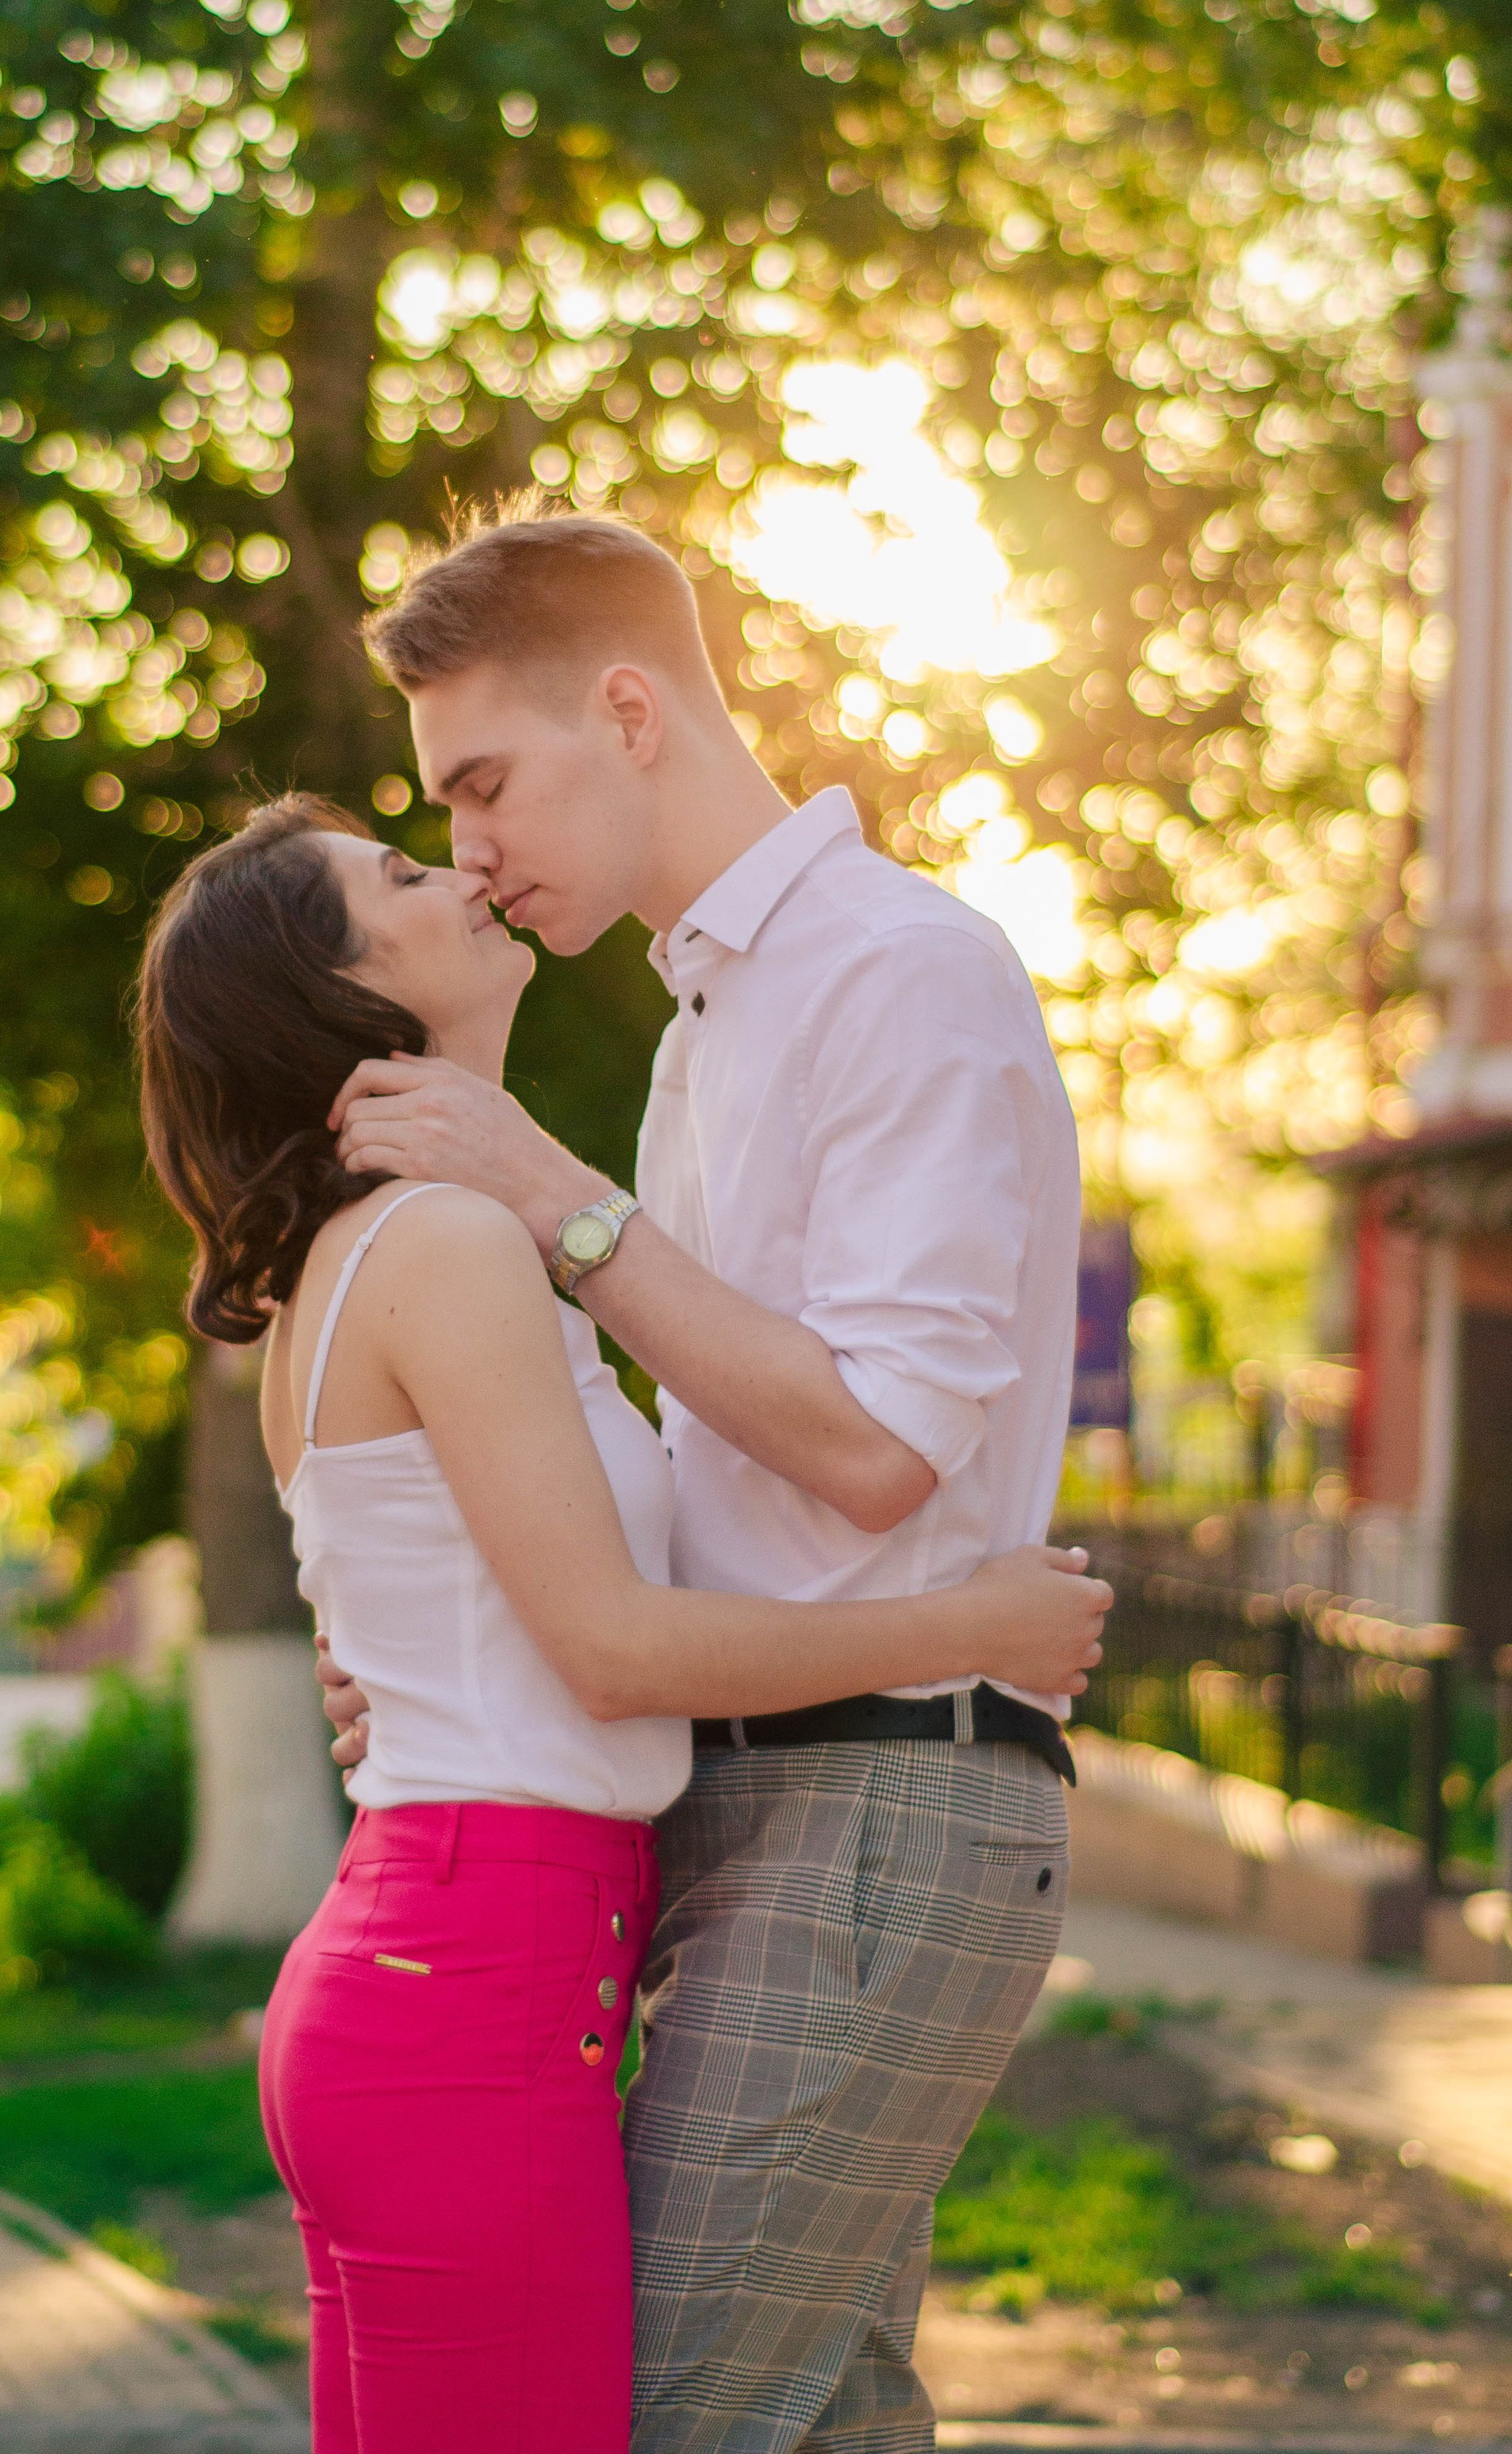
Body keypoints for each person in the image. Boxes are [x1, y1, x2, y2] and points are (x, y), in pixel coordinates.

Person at [138, 793, 1109, 2454]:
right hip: (469, 1979)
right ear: (343, 998)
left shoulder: (384, 1255)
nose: (456, 865)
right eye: (398, 872)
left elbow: (474, 1613)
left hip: (445, 1957)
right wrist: (969, 1621)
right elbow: (612, 1648)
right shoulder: (439, 1243)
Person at [321, 504, 1089, 2454]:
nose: (469, 849)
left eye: (481, 783)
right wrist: (444, 1650)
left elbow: (863, 1445)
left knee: (659, 2415)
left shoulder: (897, 974)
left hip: (877, 1802)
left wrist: (550, 1196)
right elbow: (701, 1476)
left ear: (630, 706)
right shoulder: (700, 1025)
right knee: (824, 2418)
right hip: (743, 1795)